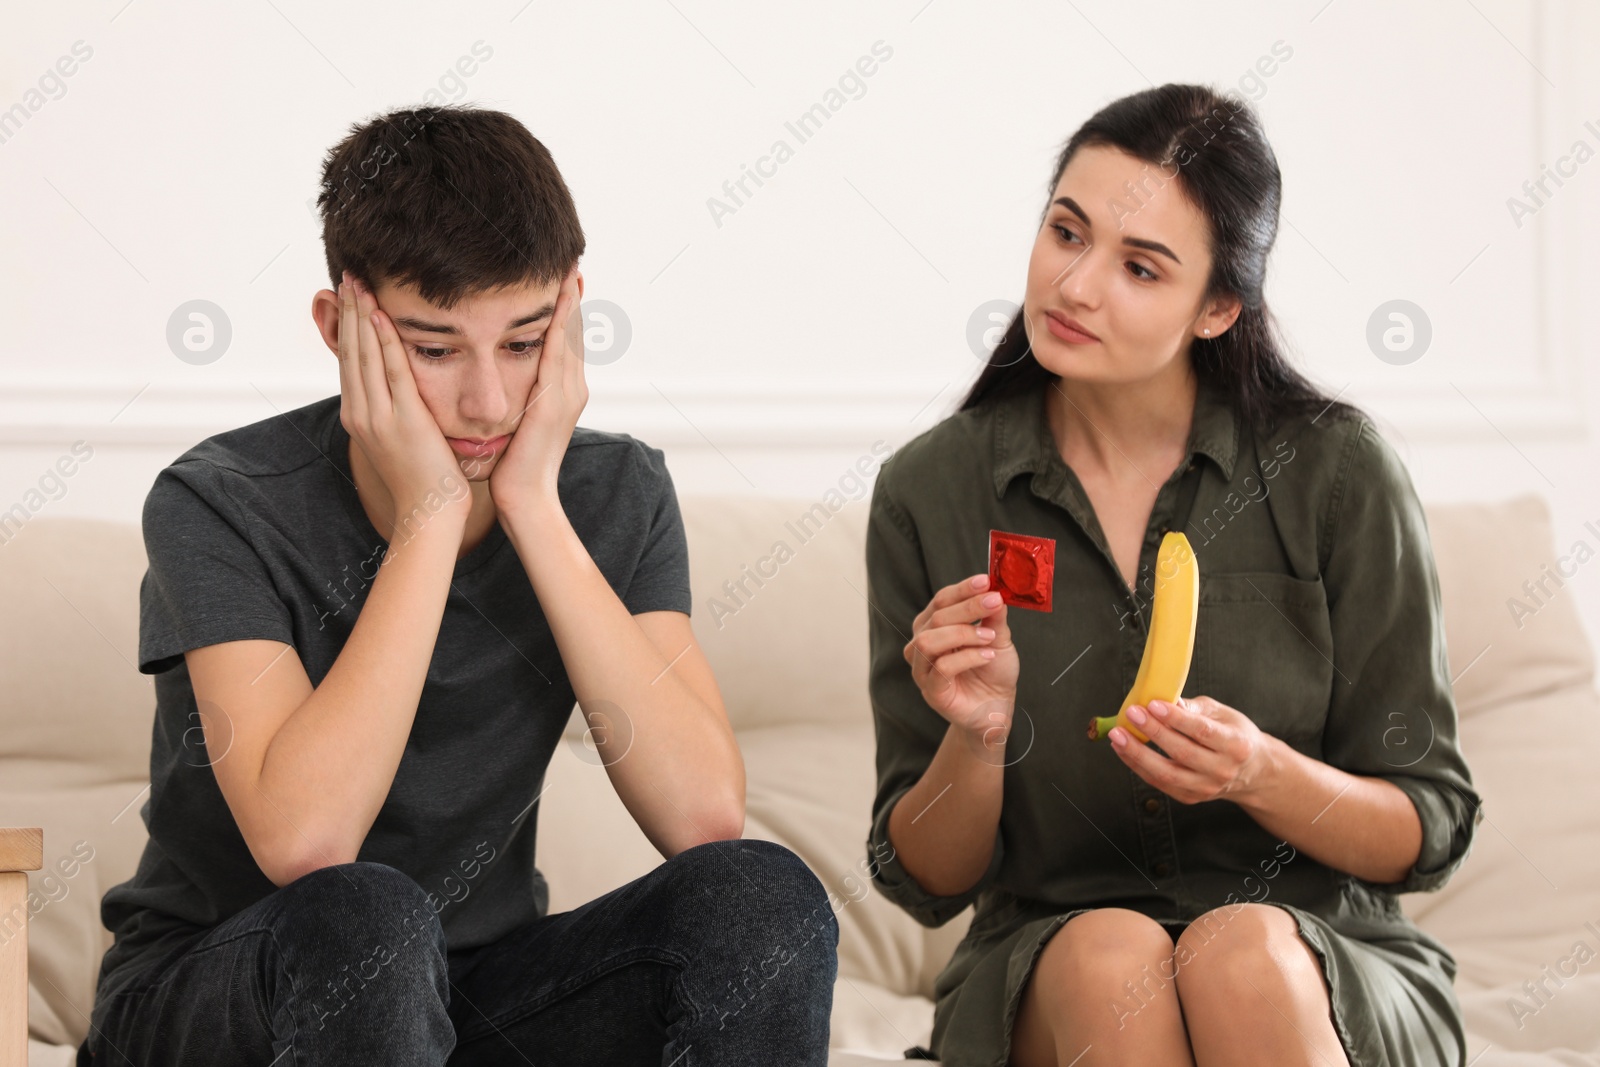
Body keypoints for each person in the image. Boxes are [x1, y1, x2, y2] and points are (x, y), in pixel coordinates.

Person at [79, 104, 837, 1065]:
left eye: (523, 344)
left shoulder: (613, 492)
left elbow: (703, 820)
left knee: (762, 895)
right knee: (367, 917)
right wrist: (429, 516)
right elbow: (308, 845)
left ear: (570, 318)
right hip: (224, 992)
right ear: (340, 326)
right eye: (434, 350)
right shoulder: (218, 503)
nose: (486, 400)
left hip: (473, 994)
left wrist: (533, 504)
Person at [863, 83, 1483, 1067]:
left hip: (1319, 954)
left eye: (1139, 267)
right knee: (1115, 957)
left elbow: (1428, 825)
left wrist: (1259, 773)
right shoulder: (928, 490)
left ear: (1217, 308)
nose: (1074, 285)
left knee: (1237, 950)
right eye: (1065, 232)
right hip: (1049, 961)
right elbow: (925, 879)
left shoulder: (1335, 471)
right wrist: (974, 737)